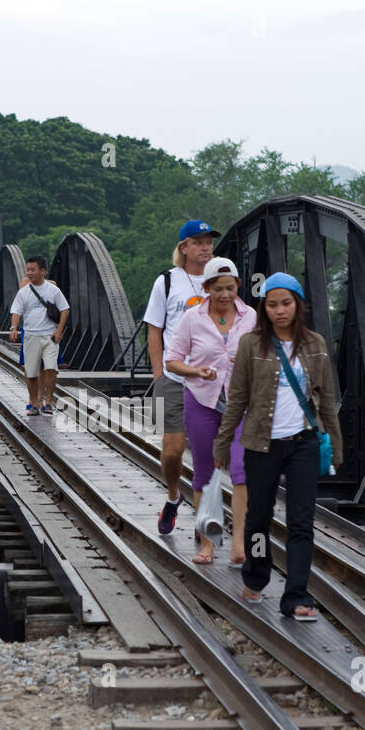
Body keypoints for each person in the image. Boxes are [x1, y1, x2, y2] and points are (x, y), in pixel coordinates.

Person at [213, 272, 344, 619]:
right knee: (258, 518)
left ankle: (297, 596)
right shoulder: (251, 345)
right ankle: (256, 577)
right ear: (264, 308)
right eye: (272, 305)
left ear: (298, 305)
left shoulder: (315, 344)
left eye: (286, 303)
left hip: (304, 443)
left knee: (301, 522)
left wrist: (337, 447)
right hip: (261, 443)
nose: (280, 311)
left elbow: (327, 401)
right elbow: (237, 398)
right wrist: (223, 442)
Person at [164, 257, 256, 565]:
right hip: (202, 402)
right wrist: (195, 371)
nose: (225, 295)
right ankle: (207, 543)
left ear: (238, 286)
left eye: (230, 288)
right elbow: (172, 360)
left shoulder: (251, 317)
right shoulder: (193, 317)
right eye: (218, 289)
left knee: (242, 472)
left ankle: (239, 542)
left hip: (242, 405)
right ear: (206, 288)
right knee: (205, 473)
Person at [144, 219, 218, 534]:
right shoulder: (167, 281)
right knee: (172, 450)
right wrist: (158, 373)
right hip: (173, 381)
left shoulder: (221, 282)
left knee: (209, 455)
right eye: (198, 241)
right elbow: (154, 329)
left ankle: (207, 521)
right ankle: (174, 496)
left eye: (209, 241)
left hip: (212, 383)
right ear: (183, 248)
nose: (205, 247)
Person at [8, 254, 69, 416]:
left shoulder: (53, 290)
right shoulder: (23, 291)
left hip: (49, 335)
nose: (29, 273)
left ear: (43, 271)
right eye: (28, 270)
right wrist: (14, 327)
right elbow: (16, 311)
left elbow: (65, 309)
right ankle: (34, 402)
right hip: (30, 335)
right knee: (32, 372)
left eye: (33, 270)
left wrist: (59, 330)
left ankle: (48, 402)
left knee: (51, 369)